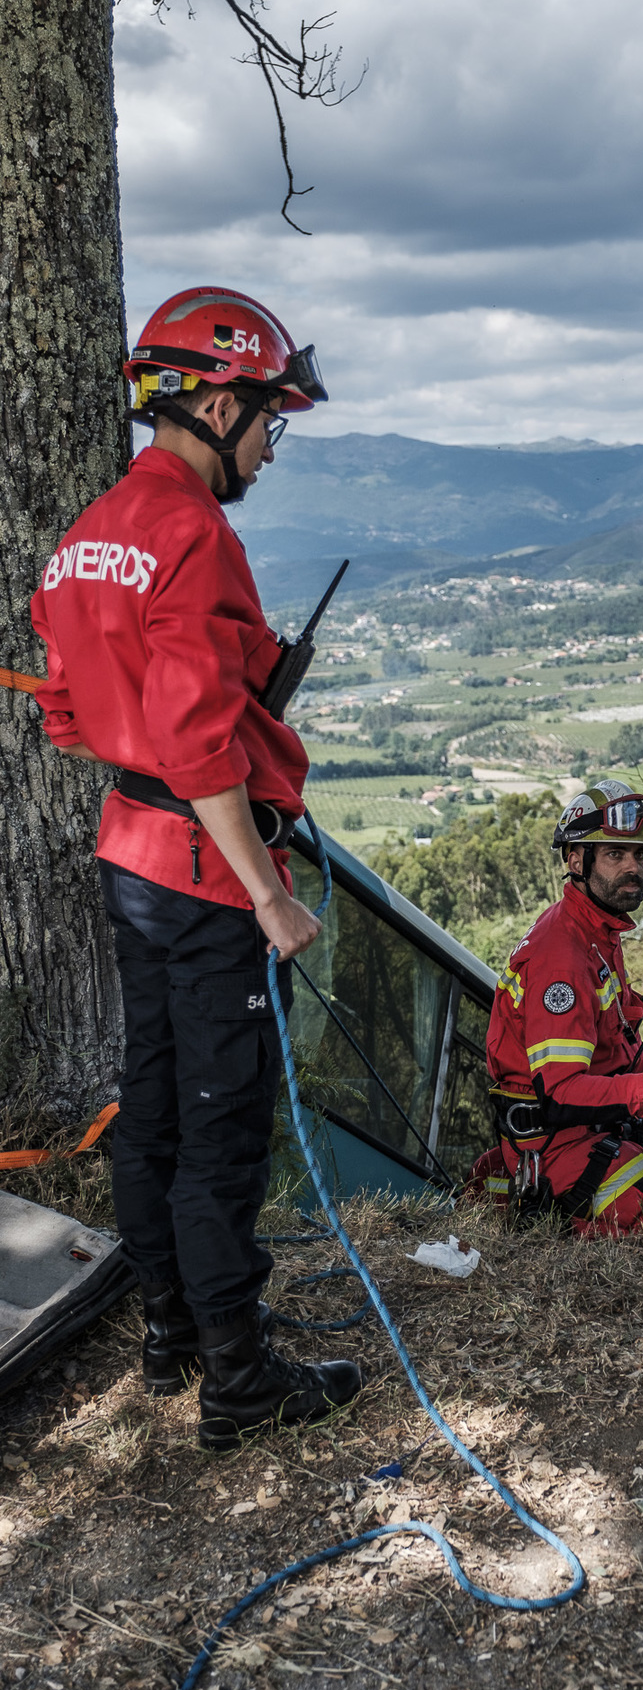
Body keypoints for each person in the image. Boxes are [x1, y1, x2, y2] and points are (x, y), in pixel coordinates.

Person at [29, 286, 361, 1449]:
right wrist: (267, 895)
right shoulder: (195, 535)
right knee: (222, 1127)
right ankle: (239, 1382)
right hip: (204, 873)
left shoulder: (93, 532)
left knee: (154, 1106)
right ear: (217, 399)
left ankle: (172, 1334)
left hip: (129, 854)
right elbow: (202, 737)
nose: (273, 442)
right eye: (271, 417)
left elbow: (68, 707)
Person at [485, 780, 643, 1233]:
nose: (633, 867)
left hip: (594, 1133)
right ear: (576, 860)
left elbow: (615, 1042)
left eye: (640, 855)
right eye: (616, 854)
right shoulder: (564, 954)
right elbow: (558, 1094)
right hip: (559, 1148)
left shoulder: (597, 933)